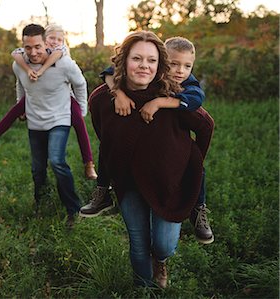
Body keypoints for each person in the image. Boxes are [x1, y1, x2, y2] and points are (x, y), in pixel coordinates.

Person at [88, 31, 214, 288]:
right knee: (138, 239)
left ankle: (161, 259)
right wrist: (116, 93)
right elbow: (105, 134)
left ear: (160, 64)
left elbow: (205, 125)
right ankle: (143, 288)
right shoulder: (103, 97)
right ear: (124, 61)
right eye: (137, 59)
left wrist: (193, 161)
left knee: (163, 243)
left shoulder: (174, 94)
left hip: (170, 178)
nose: (144, 65)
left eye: (151, 60)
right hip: (129, 178)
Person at [0, 24, 97, 180]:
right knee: (14, 111)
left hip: (64, 96)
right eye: (52, 38)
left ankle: (88, 164)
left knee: (79, 122)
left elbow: (79, 83)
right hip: (36, 95)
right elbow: (16, 57)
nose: (55, 42)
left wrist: (82, 108)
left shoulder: (61, 53)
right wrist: (22, 98)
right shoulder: (31, 53)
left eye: (59, 39)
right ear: (44, 39)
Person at [11, 23, 87, 228]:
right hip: (35, 121)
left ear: (46, 43)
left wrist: (81, 111)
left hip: (59, 119)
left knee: (56, 161)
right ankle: (41, 203)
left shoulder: (64, 64)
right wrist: (22, 107)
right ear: (23, 46)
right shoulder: (19, 65)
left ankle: (74, 210)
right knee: (37, 168)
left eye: (38, 46)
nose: (33, 52)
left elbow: (80, 84)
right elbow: (20, 83)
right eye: (28, 48)